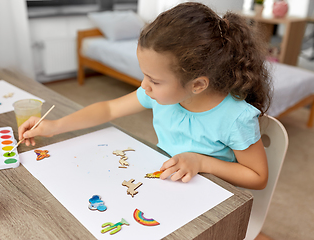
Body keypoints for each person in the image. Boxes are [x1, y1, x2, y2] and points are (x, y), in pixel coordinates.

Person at [19, 2, 271, 190]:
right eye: (145, 75)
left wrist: (202, 163)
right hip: (166, 182)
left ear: (197, 85)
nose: (144, 85)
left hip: (209, 194)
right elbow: (108, 110)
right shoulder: (160, 95)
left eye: (154, 80)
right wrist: (55, 126)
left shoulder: (235, 117)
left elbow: (258, 177)